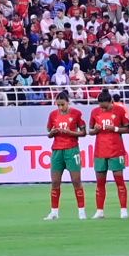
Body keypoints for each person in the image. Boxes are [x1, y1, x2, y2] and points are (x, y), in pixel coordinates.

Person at [44, 89, 88, 221]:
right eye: (58, 105)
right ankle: (54, 212)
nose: (60, 107)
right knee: (55, 182)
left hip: (71, 150)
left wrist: (69, 132)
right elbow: (49, 133)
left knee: (76, 181)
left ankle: (81, 211)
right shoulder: (53, 115)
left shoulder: (76, 114)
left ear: (68, 102)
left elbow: (83, 132)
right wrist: (53, 132)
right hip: (57, 150)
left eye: (62, 104)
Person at [87, 89, 129, 218]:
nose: (103, 109)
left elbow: (127, 129)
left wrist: (115, 129)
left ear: (111, 102)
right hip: (100, 151)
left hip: (116, 150)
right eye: (101, 106)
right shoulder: (95, 112)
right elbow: (90, 131)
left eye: (105, 106)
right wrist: (95, 130)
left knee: (119, 180)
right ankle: (99, 211)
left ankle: (123, 210)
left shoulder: (120, 111)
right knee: (100, 182)